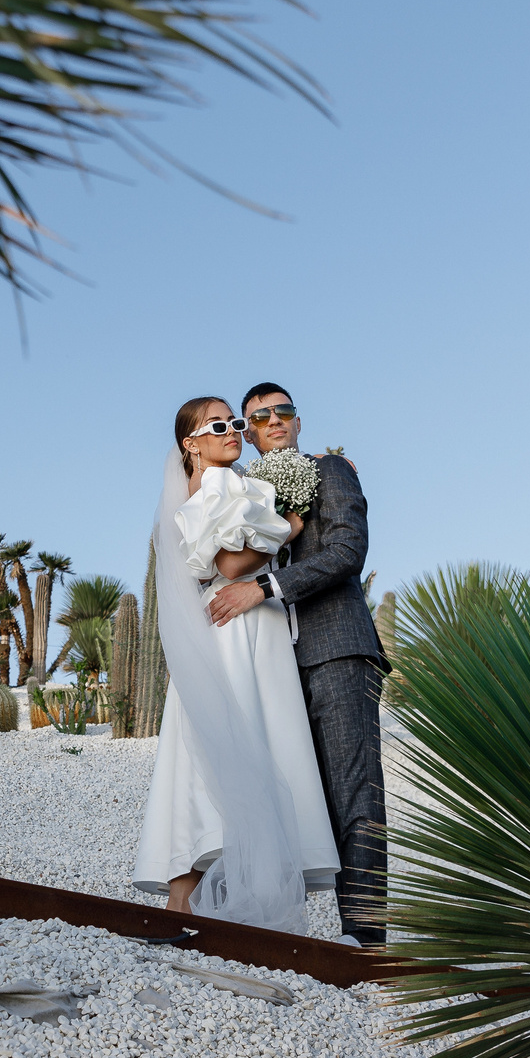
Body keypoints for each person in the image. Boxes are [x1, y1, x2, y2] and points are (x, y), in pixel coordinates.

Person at [130, 396, 341, 929]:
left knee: (208, 750)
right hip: (237, 625)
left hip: (241, 623)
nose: (232, 431)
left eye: (236, 423)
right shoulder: (216, 485)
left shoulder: (223, 482)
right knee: (246, 741)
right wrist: (291, 525)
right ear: (190, 444)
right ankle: (215, 901)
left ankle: (187, 902)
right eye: (218, 425)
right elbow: (230, 564)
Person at [204, 384, 388, 944]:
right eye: (259, 417)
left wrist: (264, 587)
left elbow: (347, 551)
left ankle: (365, 937)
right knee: (288, 796)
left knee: (354, 794)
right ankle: (277, 924)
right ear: (247, 432)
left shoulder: (330, 470)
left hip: (335, 649)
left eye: (283, 411)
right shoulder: (246, 490)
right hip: (272, 666)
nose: (274, 421)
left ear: (298, 421)